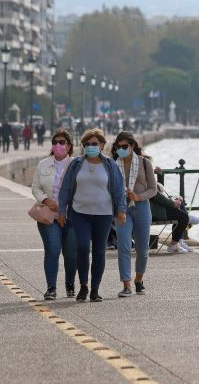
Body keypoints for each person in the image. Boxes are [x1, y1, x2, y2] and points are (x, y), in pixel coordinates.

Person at [57, 128, 126, 303]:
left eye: (94, 144)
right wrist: (62, 211)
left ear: (102, 145)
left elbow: (119, 190)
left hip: (103, 214)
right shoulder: (76, 164)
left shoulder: (110, 165)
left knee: (99, 251)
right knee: (82, 248)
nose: (90, 147)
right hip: (80, 213)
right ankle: (83, 286)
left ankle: (95, 289)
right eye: (87, 144)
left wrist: (121, 210)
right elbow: (65, 188)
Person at [31, 129, 77, 300]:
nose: (58, 145)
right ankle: (51, 287)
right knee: (52, 250)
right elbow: (35, 187)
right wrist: (45, 200)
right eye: (55, 142)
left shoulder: (76, 164)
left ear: (69, 145)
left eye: (62, 142)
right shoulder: (43, 164)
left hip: (71, 217)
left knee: (71, 253)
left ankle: (70, 284)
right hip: (49, 217)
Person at [110, 131, 157, 297]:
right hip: (122, 209)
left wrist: (138, 196)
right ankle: (126, 284)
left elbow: (153, 189)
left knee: (143, 248)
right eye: (118, 147)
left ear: (133, 146)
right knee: (123, 245)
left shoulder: (145, 164)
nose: (121, 149)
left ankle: (139, 280)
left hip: (142, 207)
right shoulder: (113, 165)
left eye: (125, 146)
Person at [149, 166, 194, 254]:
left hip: (156, 209)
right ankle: (174, 245)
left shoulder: (145, 177)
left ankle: (179, 242)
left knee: (180, 206)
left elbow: (159, 190)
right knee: (183, 217)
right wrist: (172, 203)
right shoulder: (145, 178)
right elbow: (157, 196)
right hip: (154, 212)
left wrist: (160, 175)